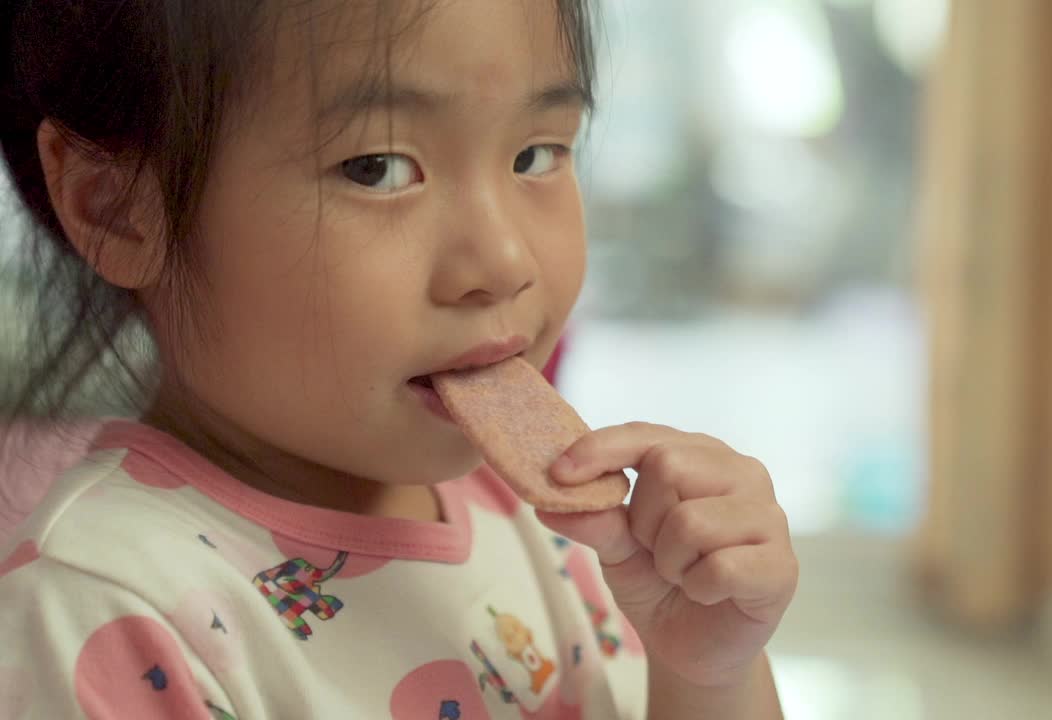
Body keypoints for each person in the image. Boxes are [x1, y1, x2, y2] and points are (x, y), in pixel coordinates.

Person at [0, 1, 799, 718]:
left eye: (536, 155)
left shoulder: (543, 523)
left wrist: (707, 672)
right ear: (119, 210)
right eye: (377, 168)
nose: (503, 259)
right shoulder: (103, 612)